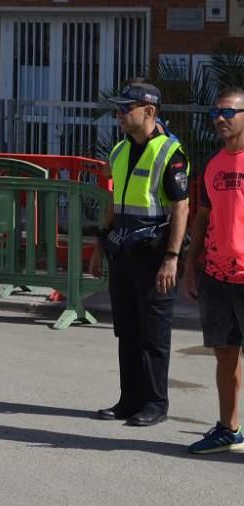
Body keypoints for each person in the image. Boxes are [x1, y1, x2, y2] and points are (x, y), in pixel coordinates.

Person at [89, 81, 189, 428]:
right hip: (123, 254)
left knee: (154, 334)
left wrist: (172, 257)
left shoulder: (169, 152)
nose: (119, 114)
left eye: (125, 109)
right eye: (118, 108)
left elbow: (181, 207)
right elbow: (113, 204)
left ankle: (155, 403)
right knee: (127, 331)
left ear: (148, 112)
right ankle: (129, 399)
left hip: (155, 255)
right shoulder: (118, 151)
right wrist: (100, 245)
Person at [183, 87, 244, 453]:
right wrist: (191, 265)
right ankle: (229, 428)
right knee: (225, 352)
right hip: (218, 276)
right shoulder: (213, 164)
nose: (220, 119)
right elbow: (203, 216)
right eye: (215, 114)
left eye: (228, 113)